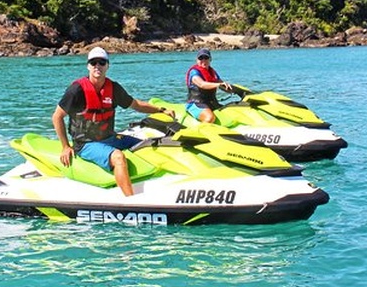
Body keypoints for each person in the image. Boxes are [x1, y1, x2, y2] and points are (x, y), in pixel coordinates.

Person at [52, 47, 175, 196]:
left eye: (101, 62)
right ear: (88, 66)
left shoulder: (113, 88)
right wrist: (65, 146)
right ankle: (132, 202)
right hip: (85, 143)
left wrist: (160, 110)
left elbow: (136, 105)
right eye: (93, 62)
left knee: (148, 143)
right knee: (118, 157)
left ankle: (166, 181)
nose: (97, 66)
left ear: (107, 66)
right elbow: (57, 117)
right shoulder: (76, 90)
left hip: (109, 138)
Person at [185, 48, 233, 123]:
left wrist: (233, 90)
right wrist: (218, 84)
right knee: (210, 118)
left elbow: (223, 85)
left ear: (210, 59)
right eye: (201, 58)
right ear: (197, 60)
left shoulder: (212, 73)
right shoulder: (194, 72)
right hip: (196, 103)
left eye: (206, 58)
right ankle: (198, 133)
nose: (203, 60)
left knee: (232, 111)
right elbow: (202, 84)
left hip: (211, 103)